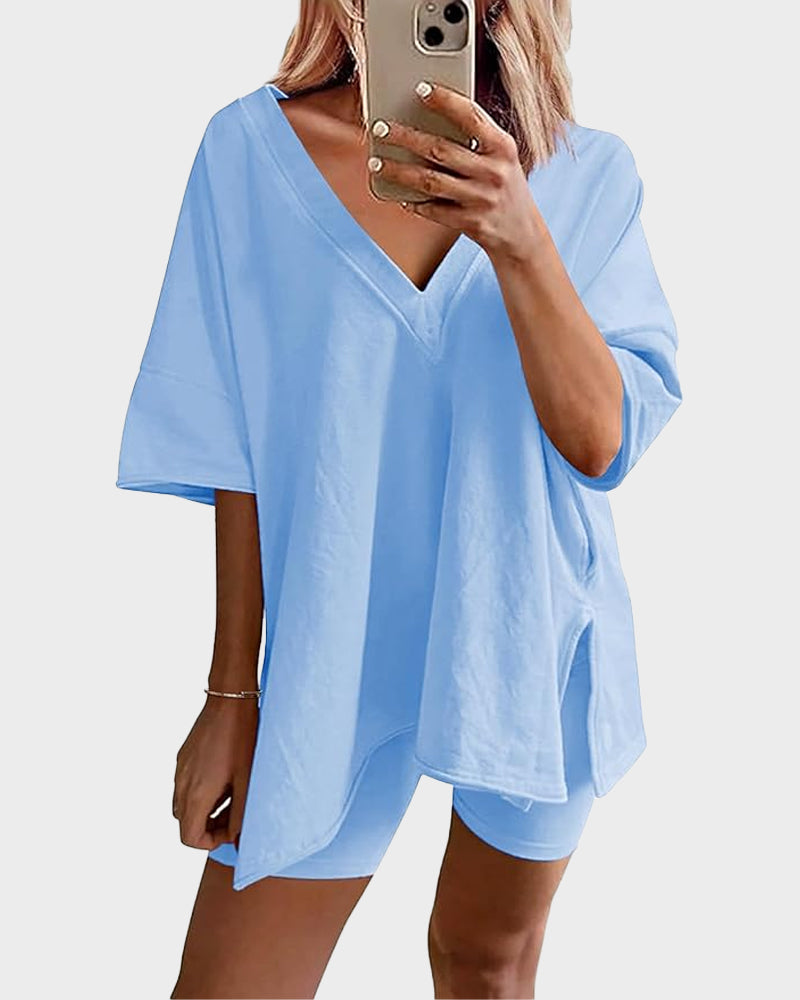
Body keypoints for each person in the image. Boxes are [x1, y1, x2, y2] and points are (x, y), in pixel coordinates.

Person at [116, 1, 681, 996]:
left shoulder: (588, 174)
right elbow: (232, 442)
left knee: (483, 964)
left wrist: (519, 239)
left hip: (527, 641)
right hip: (329, 652)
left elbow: (600, 442)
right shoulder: (248, 153)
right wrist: (229, 695)